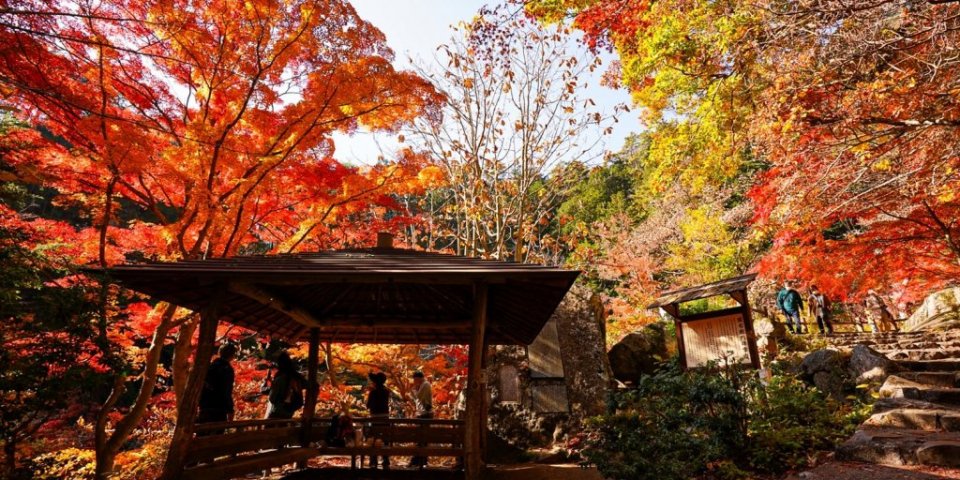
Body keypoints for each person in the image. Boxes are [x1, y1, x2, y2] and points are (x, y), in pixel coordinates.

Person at [198, 343, 237, 425]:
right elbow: (226, 391)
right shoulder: (227, 369)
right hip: (219, 408)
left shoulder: (209, 367)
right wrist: (230, 410)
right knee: (217, 435)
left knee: (202, 434)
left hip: (204, 407)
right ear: (232, 355)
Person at [263, 351, 307, 419]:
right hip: (290, 412)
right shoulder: (296, 377)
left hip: (277, 413)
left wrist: (268, 386)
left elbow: (272, 398)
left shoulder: (280, 379)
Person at [365, 372, 391, 469]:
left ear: (375, 382)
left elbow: (368, 405)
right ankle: (386, 459)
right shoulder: (386, 391)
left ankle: (373, 460)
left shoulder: (373, 392)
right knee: (385, 439)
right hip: (385, 418)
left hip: (375, 418)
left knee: (373, 438)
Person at [409, 371, 433, 469]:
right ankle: (419, 460)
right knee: (420, 438)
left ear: (418, 378)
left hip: (425, 415)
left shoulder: (425, 385)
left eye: (414, 379)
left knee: (422, 438)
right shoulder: (423, 385)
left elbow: (418, 397)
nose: (414, 382)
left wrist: (414, 391)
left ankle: (420, 460)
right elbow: (418, 400)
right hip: (422, 414)